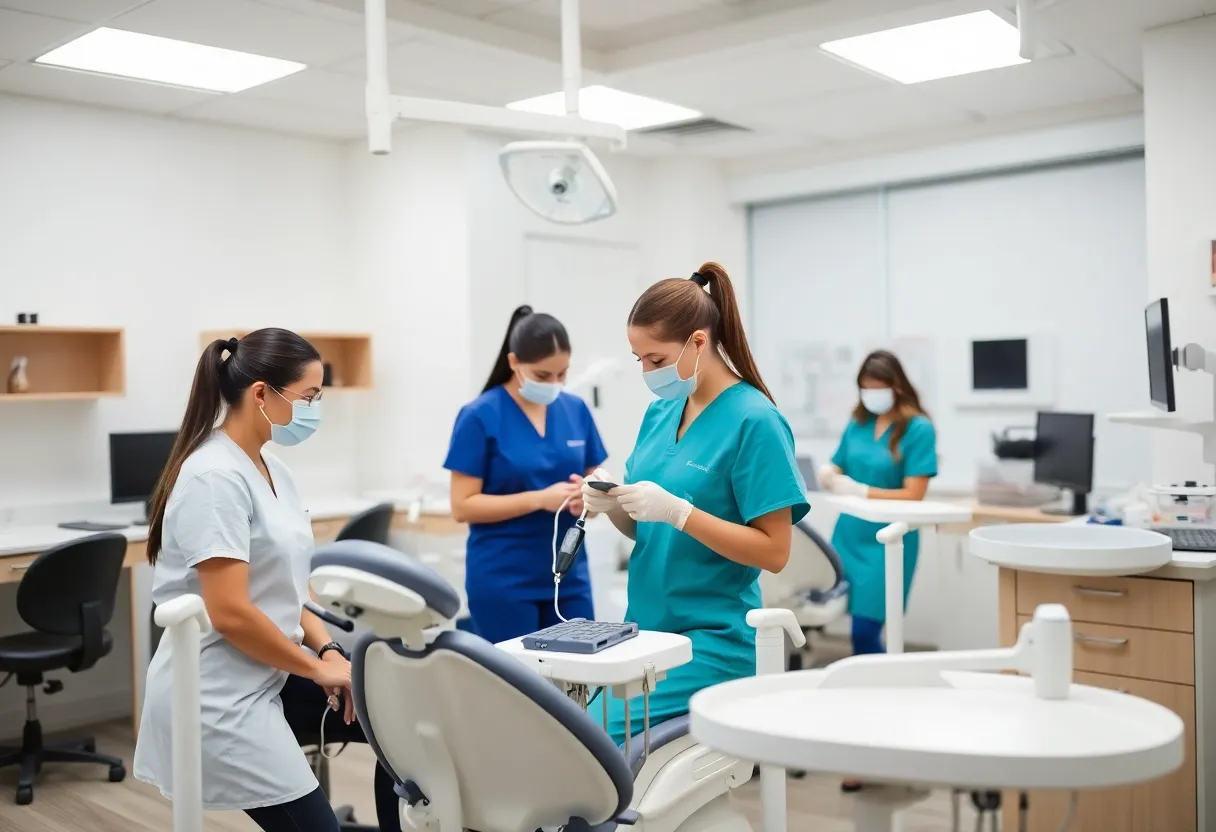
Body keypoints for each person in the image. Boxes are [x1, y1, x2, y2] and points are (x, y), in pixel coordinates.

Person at [133, 329, 399, 832]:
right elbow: (231, 612)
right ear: (261, 394)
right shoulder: (214, 477)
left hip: (272, 670)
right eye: (309, 397)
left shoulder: (271, 466)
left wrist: (327, 653)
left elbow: (288, 589)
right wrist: (314, 669)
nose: (315, 410)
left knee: (401, 731)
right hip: (219, 694)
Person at [579, 263, 808, 744]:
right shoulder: (661, 411)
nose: (646, 372)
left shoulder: (755, 421)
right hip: (645, 631)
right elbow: (650, 530)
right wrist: (616, 505)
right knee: (561, 722)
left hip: (711, 642)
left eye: (656, 359)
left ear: (698, 342)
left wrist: (681, 512)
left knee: (588, 742)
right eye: (638, 358)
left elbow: (774, 552)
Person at [445, 306, 609, 643]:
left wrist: (589, 498)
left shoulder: (575, 409)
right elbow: (463, 506)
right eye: (543, 376)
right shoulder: (479, 416)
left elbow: (597, 487)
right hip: (504, 579)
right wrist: (539, 499)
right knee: (516, 689)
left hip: (569, 576)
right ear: (514, 362)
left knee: (575, 686)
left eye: (562, 374)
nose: (555, 384)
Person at [817, 349, 938, 657]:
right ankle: (864, 690)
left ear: (896, 386)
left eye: (877, 389)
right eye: (866, 389)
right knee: (850, 625)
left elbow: (914, 493)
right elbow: (839, 463)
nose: (871, 395)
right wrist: (829, 473)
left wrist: (861, 491)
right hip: (849, 536)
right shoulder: (859, 423)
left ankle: (880, 693)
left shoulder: (918, 428)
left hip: (888, 542)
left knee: (865, 630)